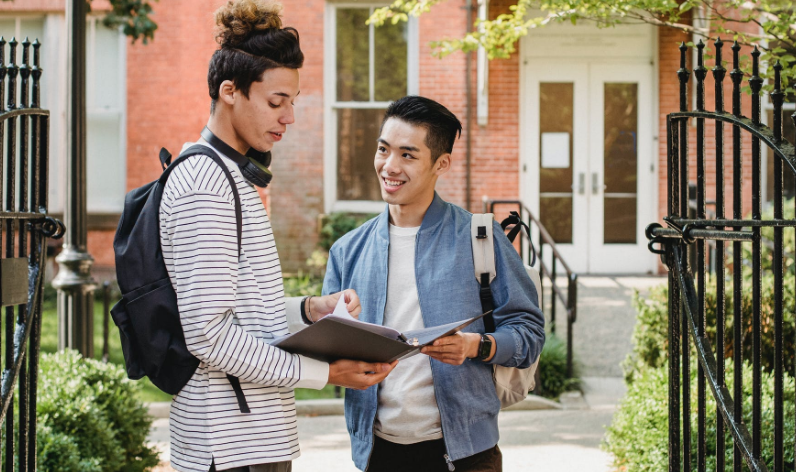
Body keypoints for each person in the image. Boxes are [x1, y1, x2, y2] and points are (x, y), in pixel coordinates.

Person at [158, 2, 396, 471]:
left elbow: (237, 311)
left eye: (293, 101)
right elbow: (208, 335)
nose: (288, 117)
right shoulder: (207, 184)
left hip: (250, 441)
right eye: (275, 101)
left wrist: (311, 310)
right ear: (230, 91)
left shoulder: (228, 175)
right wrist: (326, 373)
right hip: (228, 449)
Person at [322, 96, 545, 472]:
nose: (389, 166)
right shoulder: (348, 251)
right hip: (377, 454)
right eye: (383, 150)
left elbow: (529, 334)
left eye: (408, 155)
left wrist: (476, 345)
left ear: (441, 163)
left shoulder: (481, 237)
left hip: (467, 455)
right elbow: (328, 346)